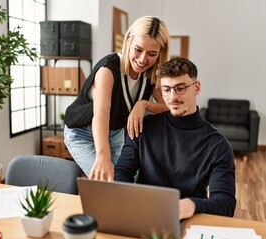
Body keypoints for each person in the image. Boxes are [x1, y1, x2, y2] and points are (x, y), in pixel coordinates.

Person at [114, 57, 236, 220]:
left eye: (180, 88)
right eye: (166, 89)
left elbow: (226, 203)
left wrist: (193, 205)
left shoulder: (217, 145)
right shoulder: (144, 127)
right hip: (143, 214)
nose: (172, 97)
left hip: (188, 219)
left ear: (196, 87)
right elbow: (122, 171)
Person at [64, 16, 170, 181]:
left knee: (127, 182)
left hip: (115, 134)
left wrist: (144, 104)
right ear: (128, 40)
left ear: (160, 53)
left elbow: (168, 107)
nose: (143, 59)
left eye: (152, 54)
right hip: (81, 132)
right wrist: (103, 156)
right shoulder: (108, 69)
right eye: (138, 49)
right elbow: (101, 114)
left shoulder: (151, 73)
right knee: (108, 181)